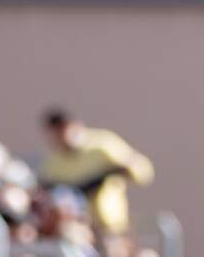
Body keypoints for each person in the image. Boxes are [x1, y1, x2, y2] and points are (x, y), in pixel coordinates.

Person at [39, 109, 153, 254]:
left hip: (110, 226)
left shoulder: (102, 146)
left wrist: (123, 169)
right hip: (81, 228)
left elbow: (142, 170)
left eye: (65, 129)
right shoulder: (53, 162)